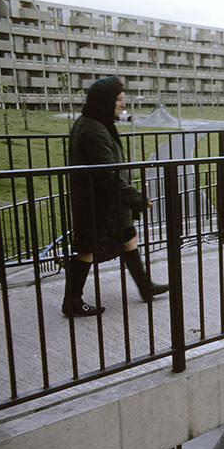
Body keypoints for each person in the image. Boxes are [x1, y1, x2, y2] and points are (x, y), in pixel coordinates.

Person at [62, 75, 168, 317]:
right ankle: (72, 302)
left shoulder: (93, 123)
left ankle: (145, 287)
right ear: (105, 102)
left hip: (105, 202)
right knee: (86, 250)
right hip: (98, 204)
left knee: (128, 236)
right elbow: (107, 175)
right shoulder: (94, 130)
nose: (122, 104)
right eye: (119, 100)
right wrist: (136, 198)